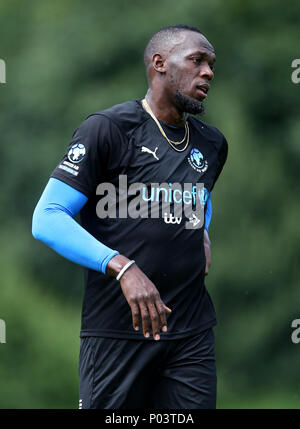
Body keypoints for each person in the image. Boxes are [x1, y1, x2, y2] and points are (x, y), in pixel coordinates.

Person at [32, 24, 228, 409]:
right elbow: (47, 217)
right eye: (197, 60)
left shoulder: (212, 143)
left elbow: (201, 194)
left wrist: (202, 230)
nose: (208, 72)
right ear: (160, 63)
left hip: (190, 335)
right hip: (116, 335)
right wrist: (122, 267)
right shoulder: (107, 129)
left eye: (211, 64)